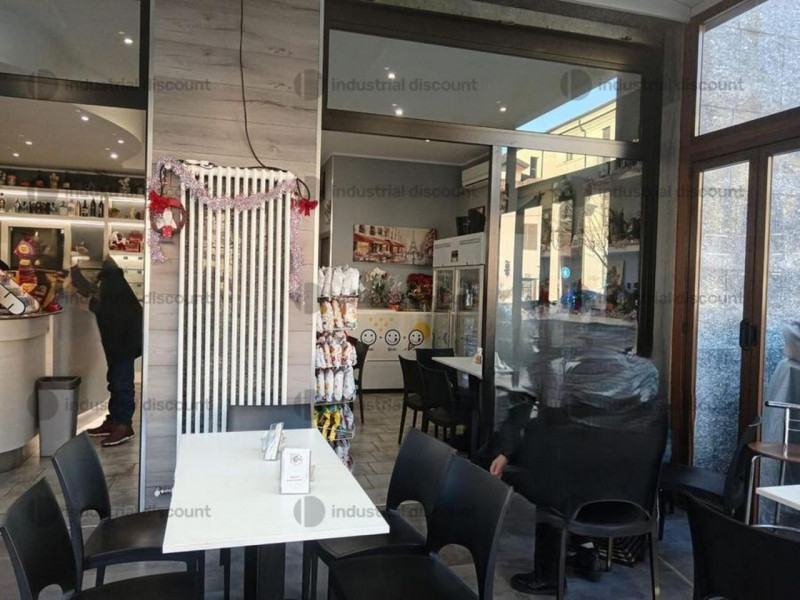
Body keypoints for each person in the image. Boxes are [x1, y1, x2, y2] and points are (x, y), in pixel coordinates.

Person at [488, 349, 660, 595]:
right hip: (634, 508)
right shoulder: (650, 417)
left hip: (583, 506)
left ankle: (548, 577)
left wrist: (507, 451)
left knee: (550, 487)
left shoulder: (571, 413)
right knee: (571, 482)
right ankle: (588, 552)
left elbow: (537, 432)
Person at [71, 258, 143, 446]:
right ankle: (114, 421)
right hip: (119, 341)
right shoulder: (111, 281)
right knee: (115, 382)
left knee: (121, 383)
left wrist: (75, 279)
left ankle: (123, 425)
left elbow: (100, 306)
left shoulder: (112, 284)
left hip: (123, 343)